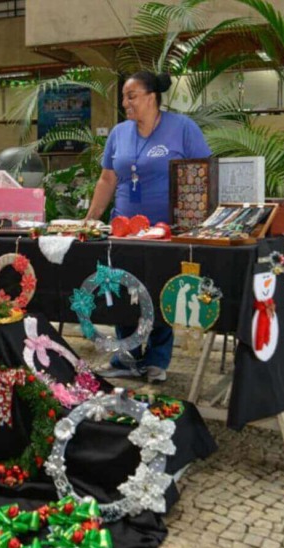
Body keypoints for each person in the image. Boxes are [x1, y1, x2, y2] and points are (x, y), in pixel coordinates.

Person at [86, 70, 212, 383]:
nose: (125, 103)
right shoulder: (119, 133)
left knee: (158, 291)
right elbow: (107, 178)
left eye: (132, 96)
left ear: (152, 97)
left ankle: (157, 360)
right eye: (124, 98)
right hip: (123, 231)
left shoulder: (182, 128)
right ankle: (126, 356)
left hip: (166, 231)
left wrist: (200, 222)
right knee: (122, 290)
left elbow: (204, 174)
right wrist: (90, 218)